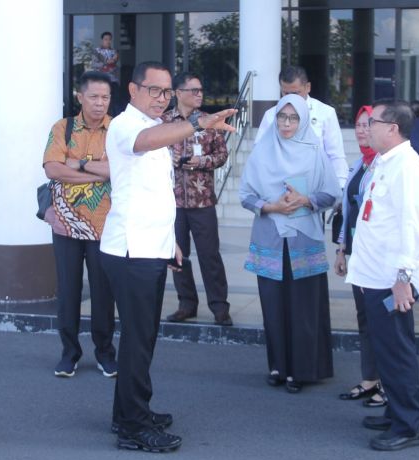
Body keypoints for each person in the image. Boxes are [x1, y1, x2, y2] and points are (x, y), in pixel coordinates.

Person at [100, 61, 236, 453]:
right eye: (154, 90)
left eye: (166, 92)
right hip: (131, 250)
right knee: (139, 339)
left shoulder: (155, 128)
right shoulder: (127, 126)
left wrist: (170, 243)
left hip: (150, 245)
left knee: (140, 338)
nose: (161, 98)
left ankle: (127, 412)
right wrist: (200, 124)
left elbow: (155, 193)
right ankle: (134, 426)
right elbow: (146, 142)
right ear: (133, 90)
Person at [345, 99, 419, 451]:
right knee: (385, 350)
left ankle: (408, 425)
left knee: (397, 352)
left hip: (390, 278)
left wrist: (404, 278)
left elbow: (414, 229)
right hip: (372, 273)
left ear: (393, 128)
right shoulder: (385, 161)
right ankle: (396, 412)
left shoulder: (408, 168)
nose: (368, 128)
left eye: (374, 122)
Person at [240, 93, 340, 394]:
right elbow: (245, 194)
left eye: (293, 117)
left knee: (304, 307)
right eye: (282, 117)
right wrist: (272, 207)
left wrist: (304, 200)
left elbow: (331, 193)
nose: (286, 123)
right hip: (270, 238)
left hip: (302, 238)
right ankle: (279, 366)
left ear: (303, 120)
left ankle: (303, 369)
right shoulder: (262, 151)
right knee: (273, 305)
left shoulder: (314, 150)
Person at [42, 71, 117, 379]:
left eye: (105, 97)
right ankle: (69, 353)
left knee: (103, 293)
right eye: (94, 97)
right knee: (68, 291)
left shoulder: (118, 130)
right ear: (80, 97)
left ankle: (104, 353)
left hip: (106, 225)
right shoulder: (64, 128)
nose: (100, 103)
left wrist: (80, 164)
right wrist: (98, 173)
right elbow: (52, 169)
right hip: (66, 225)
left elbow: (120, 171)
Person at [161, 73, 232, 326]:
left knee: (210, 255)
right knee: (178, 256)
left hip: (202, 200)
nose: (199, 94)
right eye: (193, 90)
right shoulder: (164, 121)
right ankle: (186, 304)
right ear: (178, 93)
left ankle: (220, 307)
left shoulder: (208, 121)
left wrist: (200, 162)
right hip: (173, 202)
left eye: (201, 90)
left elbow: (223, 155)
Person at [334, 105, 386, 408]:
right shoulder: (358, 166)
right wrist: (342, 250)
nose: (362, 130)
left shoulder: (384, 166)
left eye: (368, 124)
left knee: (383, 323)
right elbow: (348, 213)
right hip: (356, 254)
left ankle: (388, 383)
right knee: (365, 319)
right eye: (358, 125)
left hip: (377, 258)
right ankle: (370, 379)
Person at [255, 65, 349, 189]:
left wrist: (341, 186)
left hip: (315, 187)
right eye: (285, 93)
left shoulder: (325, 113)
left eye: (295, 93)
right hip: (278, 186)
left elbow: (336, 154)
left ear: (307, 87)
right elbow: (260, 153)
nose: (290, 97)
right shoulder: (271, 115)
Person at [90, 32, 122, 115]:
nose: (108, 41)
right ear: (102, 40)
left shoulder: (114, 52)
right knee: (102, 101)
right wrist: (106, 63)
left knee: (114, 101)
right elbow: (94, 64)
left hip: (113, 81)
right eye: (106, 39)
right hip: (101, 81)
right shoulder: (97, 51)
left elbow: (116, 66)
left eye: (110, 39)